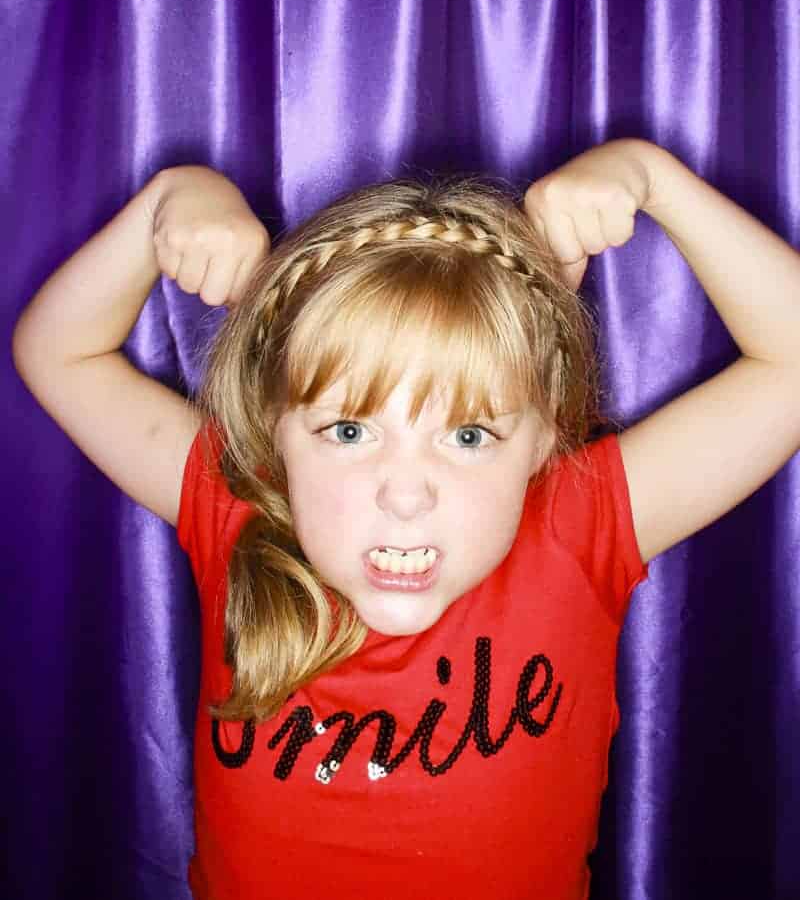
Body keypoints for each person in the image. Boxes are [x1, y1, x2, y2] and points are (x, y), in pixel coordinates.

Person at [12, 138, 800, 899]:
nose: (406, 493)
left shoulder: (578, 528)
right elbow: (57, 352)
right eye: (349, 431)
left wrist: (652, 176)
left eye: (468, 435)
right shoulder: (235, 510)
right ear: (274, 429)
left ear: (543, 436)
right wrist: (167, 200)